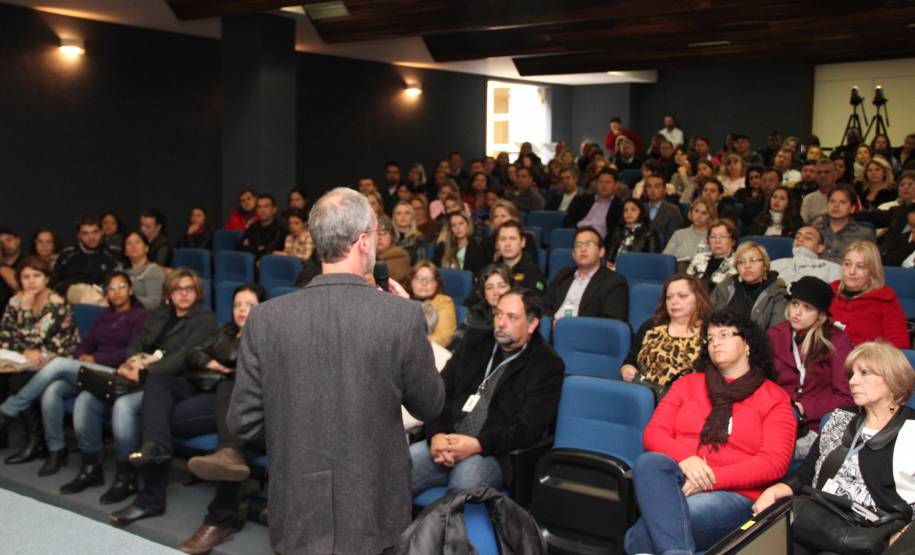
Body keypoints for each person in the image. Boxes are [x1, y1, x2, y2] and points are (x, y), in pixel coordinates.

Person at [228, 187, 444, 555]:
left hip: (295, 505)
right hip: (375, 510)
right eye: (374, 234)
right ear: (363, 242)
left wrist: (298, 437)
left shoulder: (265, 318)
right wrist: (413, 329)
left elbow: (243, 423)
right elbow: (431, 405)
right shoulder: (401, 316)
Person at [624, 310, 796, 555]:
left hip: (735, 494)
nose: (716, 342)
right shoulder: (687, 384)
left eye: (725, 334)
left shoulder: (774, 397)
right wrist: (688, 460)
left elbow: (773, 462)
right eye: (711, 337)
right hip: (680, 479)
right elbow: (654, 433)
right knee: (649, 462)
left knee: (640, 536)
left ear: (747, 343)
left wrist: (711, 478)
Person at [114, 284, 266, 539]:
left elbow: (233, 355)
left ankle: (151, 494)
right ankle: (155, 452)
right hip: (204, 388)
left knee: (156, 419)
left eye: (250, 304)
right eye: (238, 304)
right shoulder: (226, 330)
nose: (242, 310)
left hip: (227, 404)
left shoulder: (264, 335)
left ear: (264, 309)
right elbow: (194, 352)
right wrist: (209, 360)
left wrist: (218, 354)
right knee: (158, 380)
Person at [60, 269, 217, 506]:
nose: (183, 294)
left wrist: (143, 372)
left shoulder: (204, 318)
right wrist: (134, 361)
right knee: (87, 399)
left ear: (198, 292)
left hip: (172, 382)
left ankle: (127, 475)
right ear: (168, 293)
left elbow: (183, 358)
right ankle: (91, 466)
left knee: (123, 405)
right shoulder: (159, 313)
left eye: (189, 289)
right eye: (177, 289)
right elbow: (135, 344)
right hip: (139, 372)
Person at [752, 341, 915, 555]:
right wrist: (774, 491)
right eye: (852, 374)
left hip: (873, 532)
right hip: (817, 520)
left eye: (865, 373)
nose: (853, 381)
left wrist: (904, 537)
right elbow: (805, 473)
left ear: (893, 378)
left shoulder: (911, 431)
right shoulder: (840, 418)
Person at [411, 288, 564, 495]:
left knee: (466, 481)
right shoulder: (474, 341)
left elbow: (526, 430)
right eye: (498, 314)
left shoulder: (547, 365)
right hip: (447, 437)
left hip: (493, 450)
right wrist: (436, 433)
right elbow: (441, 392)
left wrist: (477, 444)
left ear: (532, 324)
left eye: (511, 317)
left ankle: (445, 528)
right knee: (399, 466)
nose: (501, 323)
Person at [0, 271, 145, 476]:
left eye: (121, 287)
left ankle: (9, 409)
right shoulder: (105, 315)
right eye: (111, 289)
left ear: (130, 290)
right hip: (92, 370)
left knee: (58, 364)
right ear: (106, 294)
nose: (117, 292)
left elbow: (132, 351)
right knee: (53, 390)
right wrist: (82, 355)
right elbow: (84, 344)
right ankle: (56, 450)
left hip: (117, 371)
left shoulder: (139, 316)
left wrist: (95, 359)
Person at [0, 256, 79, 464]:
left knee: (17, 381)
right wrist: (27, 350)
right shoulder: (15, 300)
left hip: (56, 359)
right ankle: (9, 435)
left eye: (36, 275)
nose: (31, 281)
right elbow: (5, 337)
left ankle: (35, 441)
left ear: (46, 279)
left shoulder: (56, 303)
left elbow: (37, 338)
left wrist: (25, 312)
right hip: (26, 358)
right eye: (25, 277)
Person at [767, 276, 854, 460]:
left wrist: (805, 407)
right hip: (775, 418)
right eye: (795, 304)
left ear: (821, 315)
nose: (797, 312)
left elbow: (846, 397)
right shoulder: (774, 335)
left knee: (772, 451)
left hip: (813, 426)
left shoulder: (837, 342)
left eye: (807, 308)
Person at [620, 274, 712, 398]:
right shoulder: (652, 325)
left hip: (685, 401)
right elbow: (631, 358)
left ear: (699, 298)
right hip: (641, 394)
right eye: (669, 297)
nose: (674, 302)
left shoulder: (710, 332)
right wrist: (626, 368)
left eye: (682, 296)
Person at [829, 241, 909, 349]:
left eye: (860, 266)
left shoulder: (885, 300)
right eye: (847, 264)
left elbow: (899, 346)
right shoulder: (829, 292)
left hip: (865, 362)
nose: (851, 271)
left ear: (872, 272)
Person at [543, 226, 629, 323]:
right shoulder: (563, 275)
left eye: (589, 244)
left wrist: (569, 328)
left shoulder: (614, 282)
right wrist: (551, 323)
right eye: (578, 245)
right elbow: (545, 307)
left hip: (585, 334)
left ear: (601, 252)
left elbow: (611, 323)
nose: (583, 249)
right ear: (573, 254)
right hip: (552, 332)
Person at [711, 242, 788, 330]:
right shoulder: (724, 287)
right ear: (737, 267)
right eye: (741, 262)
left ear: (765, 266)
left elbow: (776, 335)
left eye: (753, 260)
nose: (747, 266)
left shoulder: (777, 294)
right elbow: (709, 320)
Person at [53, 215, 122, 306]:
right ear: (79, 236)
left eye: (95, 232)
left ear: (102, 232)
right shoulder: (67, 255)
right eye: (85, 233)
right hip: (71, 299)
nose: (91, 237)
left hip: (105, 295)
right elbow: (55, 284)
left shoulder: (113, 254)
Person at [814, 184, 877, 263]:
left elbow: (871, 265)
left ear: (852, 208)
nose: (836, 205)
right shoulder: (815, 230)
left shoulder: (865, 235)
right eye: (832, 201)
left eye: (842, 202)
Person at [455, 264, 512, 345]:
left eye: (501, 286)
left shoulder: (519, 317)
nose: (496, 292)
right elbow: (457, 341)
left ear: (511, 289)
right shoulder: (476, 313)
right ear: (484, 293)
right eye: (489, 288)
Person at [562, 167, 624, 239]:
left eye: (608, 182)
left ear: (616, 185)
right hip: (576, 235)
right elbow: (568, 220)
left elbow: (614, 233)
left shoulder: (619, 206)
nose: (603, 185)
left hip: (599, 241)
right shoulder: (583, 199)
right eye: (600, 182)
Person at [770, 226, 843, 286]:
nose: (800, 239)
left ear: (820, 248)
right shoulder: (774, 264)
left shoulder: (833, 269)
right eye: (797, 237)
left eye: (808, 237)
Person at [408, 261, 457, 348]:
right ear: (411, 281)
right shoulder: (402, 299)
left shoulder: (444, 302)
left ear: (437, 283)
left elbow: (443, 338)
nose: (424, 283)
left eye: (430, 279)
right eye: (419, 278)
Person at [494, 220, 547, 295]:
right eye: (503, 239)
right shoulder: (490, 271)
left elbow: (536, 301)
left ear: (523, 242)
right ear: (497, 244)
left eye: (512, 239)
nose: (507, 244)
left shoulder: (534, 274)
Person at [686, 218, 738, 291]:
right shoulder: (699, 258)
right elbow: (687, 283)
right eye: (713, 237)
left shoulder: (738, 262)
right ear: (708, 241)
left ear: (733, 241)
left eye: (723, 237)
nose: (717, 241)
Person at [605, 199, 661, 265]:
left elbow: (652, 259)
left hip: (637, 268)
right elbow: (610, 256)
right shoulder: (619, 230)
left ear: (641, 212)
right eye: (625, 210)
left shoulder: (649, 232)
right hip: (615, 268)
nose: (629, 213)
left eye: (633, 210)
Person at [433, 211, 489, 276]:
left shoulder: (478, 248)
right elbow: (434, 270)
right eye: (454, 225)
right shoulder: (442, 247)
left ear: (468, 225)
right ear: (451, 229)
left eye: (461, 223)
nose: (458, 228)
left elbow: (480, 274)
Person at [664, 198, 715, 268]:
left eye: (704, 213)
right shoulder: (679, 234)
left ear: (710, 217)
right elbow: (665, 259)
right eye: (696, 211)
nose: (699, 216)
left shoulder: (713, 237)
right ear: (691, 212)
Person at [123, 231, 167, 311]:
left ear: (146, 248)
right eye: (129, 243)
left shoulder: (153, 271)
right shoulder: (120, 271)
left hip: (146, 317)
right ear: (125, 252)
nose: (133, 246)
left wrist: (124, 300)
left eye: (137, 242)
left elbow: (154, 303)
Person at [238, 194, 286, 260]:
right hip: (251, 262)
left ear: (274, 209)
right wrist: (257, 248)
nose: (262, 210)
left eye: (266, 206)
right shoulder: (253, 226)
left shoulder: (280, 229)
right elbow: (239, 246)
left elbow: (268, 251)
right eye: (259, 207)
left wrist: (249, 247)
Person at [643, 173, 684, 245]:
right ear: (645, 189)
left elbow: (673, 239)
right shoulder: (640, 209)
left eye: (657, 187)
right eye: (649, 186)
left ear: (664, 189)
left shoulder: (673, 211)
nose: (652, 190)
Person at [801, 159, 838, 223]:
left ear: (835, 175)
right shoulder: (808, 199)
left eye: (827, 172)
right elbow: (803, 224)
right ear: (815, 176)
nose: (822, 175)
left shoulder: (847, 196)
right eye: (819, 173)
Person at [391, 201, 427, 265]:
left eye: (407, 213)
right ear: (394, 218)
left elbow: (420, 263)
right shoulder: (389, 237)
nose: (403, 216)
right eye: (399, 213)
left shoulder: (419, 238)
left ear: (412, 217)